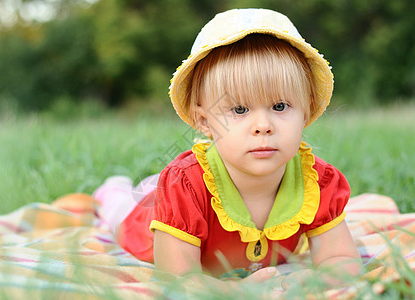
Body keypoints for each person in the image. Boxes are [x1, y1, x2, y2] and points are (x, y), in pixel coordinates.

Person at [94, 8, 361, 287]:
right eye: (240, 109)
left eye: (280, 106)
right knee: (121, 211)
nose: (263, 125)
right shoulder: (184, 186)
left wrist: (318, 280)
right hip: (148, 222)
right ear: (204, 121)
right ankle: (113, 190)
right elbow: (177, 280)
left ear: (306, 112)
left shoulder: (317, 182)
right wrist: (235, 291)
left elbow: (342, 261)